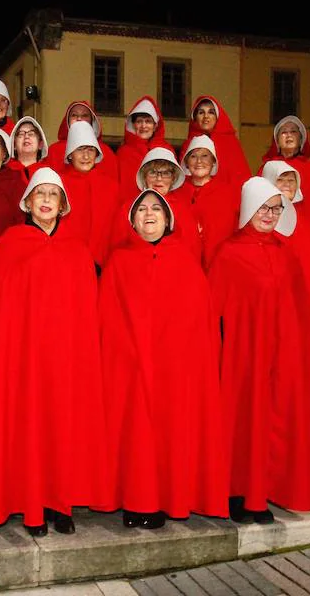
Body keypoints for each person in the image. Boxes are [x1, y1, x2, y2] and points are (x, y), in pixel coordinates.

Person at [0, 167, 113, 536]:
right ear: (28, 202)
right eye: (41, 195)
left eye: (54, 195)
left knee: (63, 425)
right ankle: (30, 504)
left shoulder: (78, 249)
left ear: (63, 204)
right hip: (24, 355)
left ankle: (60, 502)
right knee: (28, 425)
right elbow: (0, 303)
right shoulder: (11, 243)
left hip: (66, 356)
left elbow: (87, 309)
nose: (47, 201)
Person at [99, 189, 227, 529]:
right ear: (132, 220)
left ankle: (171, 498)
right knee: (135, 435)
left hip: (176, 369)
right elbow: (108, 318)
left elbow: (200, 320)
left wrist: (184, 360)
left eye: (157, 208)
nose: (149, 213)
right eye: (142, 209)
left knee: (173, 432)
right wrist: (127, 357)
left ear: (169, 219)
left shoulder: (184, 261)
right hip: (130, 366)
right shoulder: (118, 261)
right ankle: (136, 501)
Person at [209, 176, 310, 523]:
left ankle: (265, 492)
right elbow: (213, 310)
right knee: (242, 423)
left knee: (273, 423)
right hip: (241, 355)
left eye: (276, 209)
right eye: (264, 208)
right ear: (248, 210)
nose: (270, 215)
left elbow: (298, 309)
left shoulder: (286, 253)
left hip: (280, 355)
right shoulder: (229, 252)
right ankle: (236, 493)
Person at [261, 161, 310, 455]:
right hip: (278, 313)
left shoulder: (304, 223)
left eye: (291, 181)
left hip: (309, 314)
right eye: (280, 180)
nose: (286, 186)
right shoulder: (259, 221)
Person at [109, 147, 200, 260]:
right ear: (144, 177)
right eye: (153, 173)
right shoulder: (128, 208)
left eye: (166, 173)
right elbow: (117, 249)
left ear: (173, 178)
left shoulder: (183, 210)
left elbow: (192, 253)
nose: (159, 178)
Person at [59, 120, 120, 266]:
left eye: (91, 150)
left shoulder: (112, 186)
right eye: (80, 149)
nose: (86, 156)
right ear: (70, 154)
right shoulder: (58, 184)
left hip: (103, 263)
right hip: (67, 261)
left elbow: (116, 229)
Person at [180, 135, 238, 269]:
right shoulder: (177, 192)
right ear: (187, 162)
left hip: (219, 264)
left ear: (213, 161)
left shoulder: (229, 193)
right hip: (185, 264)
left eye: (205, 155)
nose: (199, 161)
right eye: (193, 156)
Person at [259, 115, 310, 224]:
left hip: (306, 228)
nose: (289, 135)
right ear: (277, 141)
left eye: (293, 131)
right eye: (284, 132)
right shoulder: (267, 168)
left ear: (301, 140)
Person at [179, 96, 251, 189]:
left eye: (211, 112)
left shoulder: (231, 143)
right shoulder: (188, 144)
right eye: (201, 112)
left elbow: (241, 177)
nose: (206, 116)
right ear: (195, 118)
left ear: (217, 117)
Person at [44, 100, 118, 180]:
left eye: (85, 115)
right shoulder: (54, 150)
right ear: (67, 120)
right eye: (74, 115)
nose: (79, 118)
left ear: (92, 120)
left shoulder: (106, 152)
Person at [116, 96, 170, 198]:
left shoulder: (166, 150)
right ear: (133, 125)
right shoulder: (124, 153)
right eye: (139, 121)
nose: (143, 126)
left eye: (148, 121)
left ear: (155, 126)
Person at [7, 116, 48, 181]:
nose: (26, 136)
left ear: (40, 144)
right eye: (21, 134)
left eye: (31, 134)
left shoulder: (47, 174)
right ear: (14, 145)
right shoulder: (5, 172)